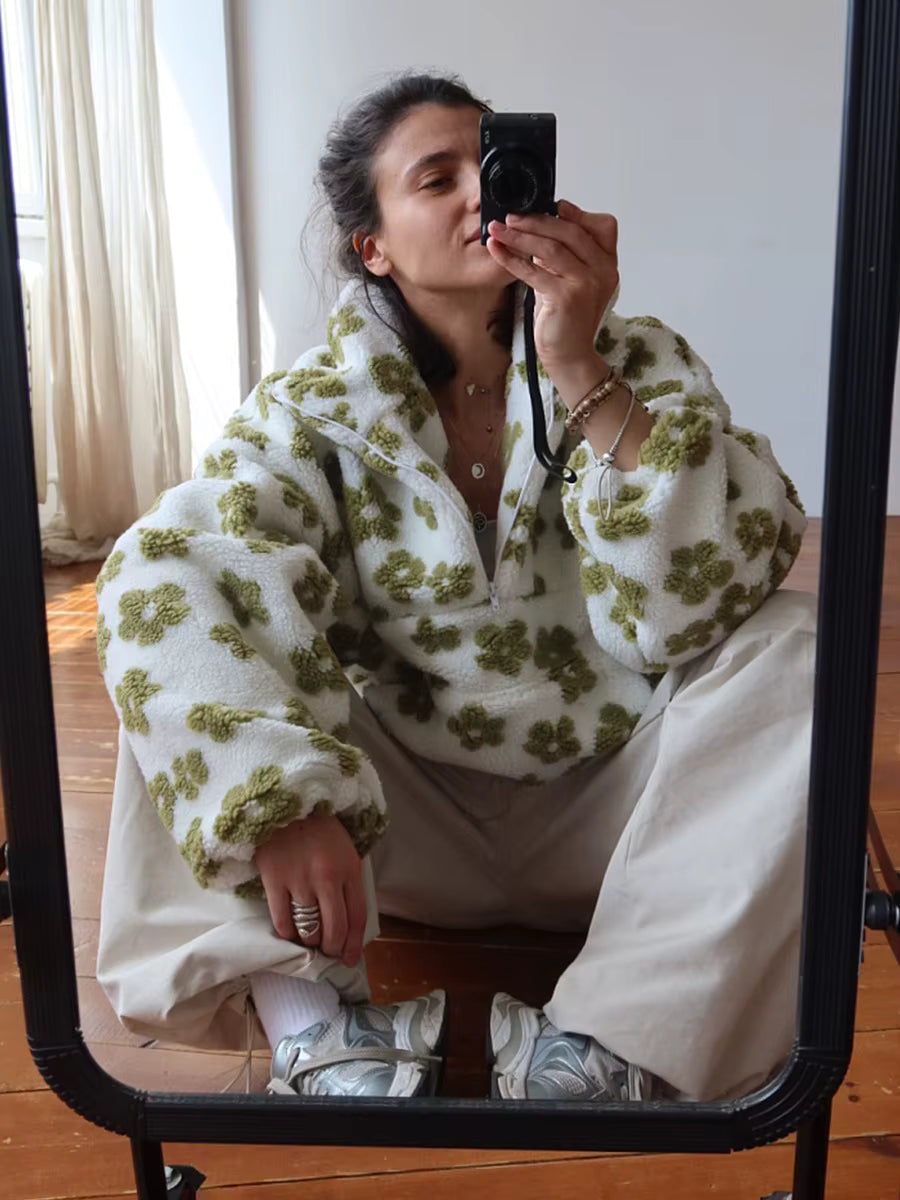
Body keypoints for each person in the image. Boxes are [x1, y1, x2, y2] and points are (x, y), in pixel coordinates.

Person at [94, 72, 814, 1104]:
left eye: (494, 166)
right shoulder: (309, 407)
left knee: (797, 646)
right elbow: (177, 565)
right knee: (185, 640)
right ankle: (318, 1035)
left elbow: (699, 603)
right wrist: (278, 804)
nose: (483, 194)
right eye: (437, 179)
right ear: (373, 247)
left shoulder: (639, 360)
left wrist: (579, 368)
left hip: (619, 814)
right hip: (394, 827)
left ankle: (608, 1047)